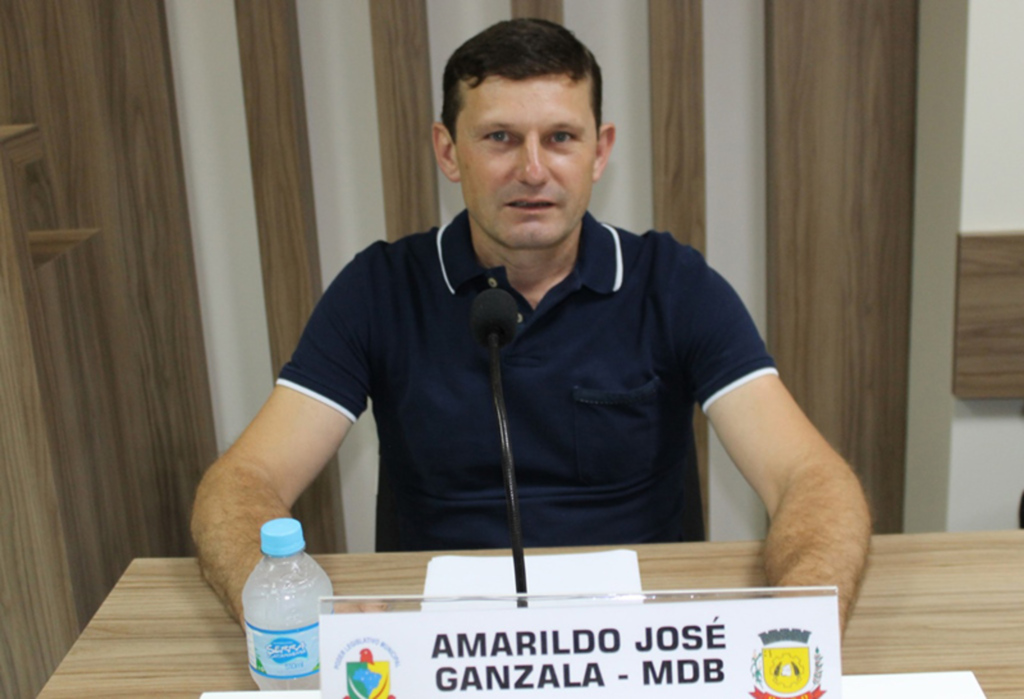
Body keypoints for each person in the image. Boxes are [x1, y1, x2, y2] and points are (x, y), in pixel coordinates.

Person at [192, 19, 870, 632]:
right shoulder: (379, 289)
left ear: (599, 151)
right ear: (449, 150)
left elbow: (809, 476)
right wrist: (291, 613)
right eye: (500, 139)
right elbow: (243, 480)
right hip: (440, 647)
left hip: (642, 645)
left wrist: (802, 611)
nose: (533, 170)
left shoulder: (673, 284)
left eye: (561, 138)